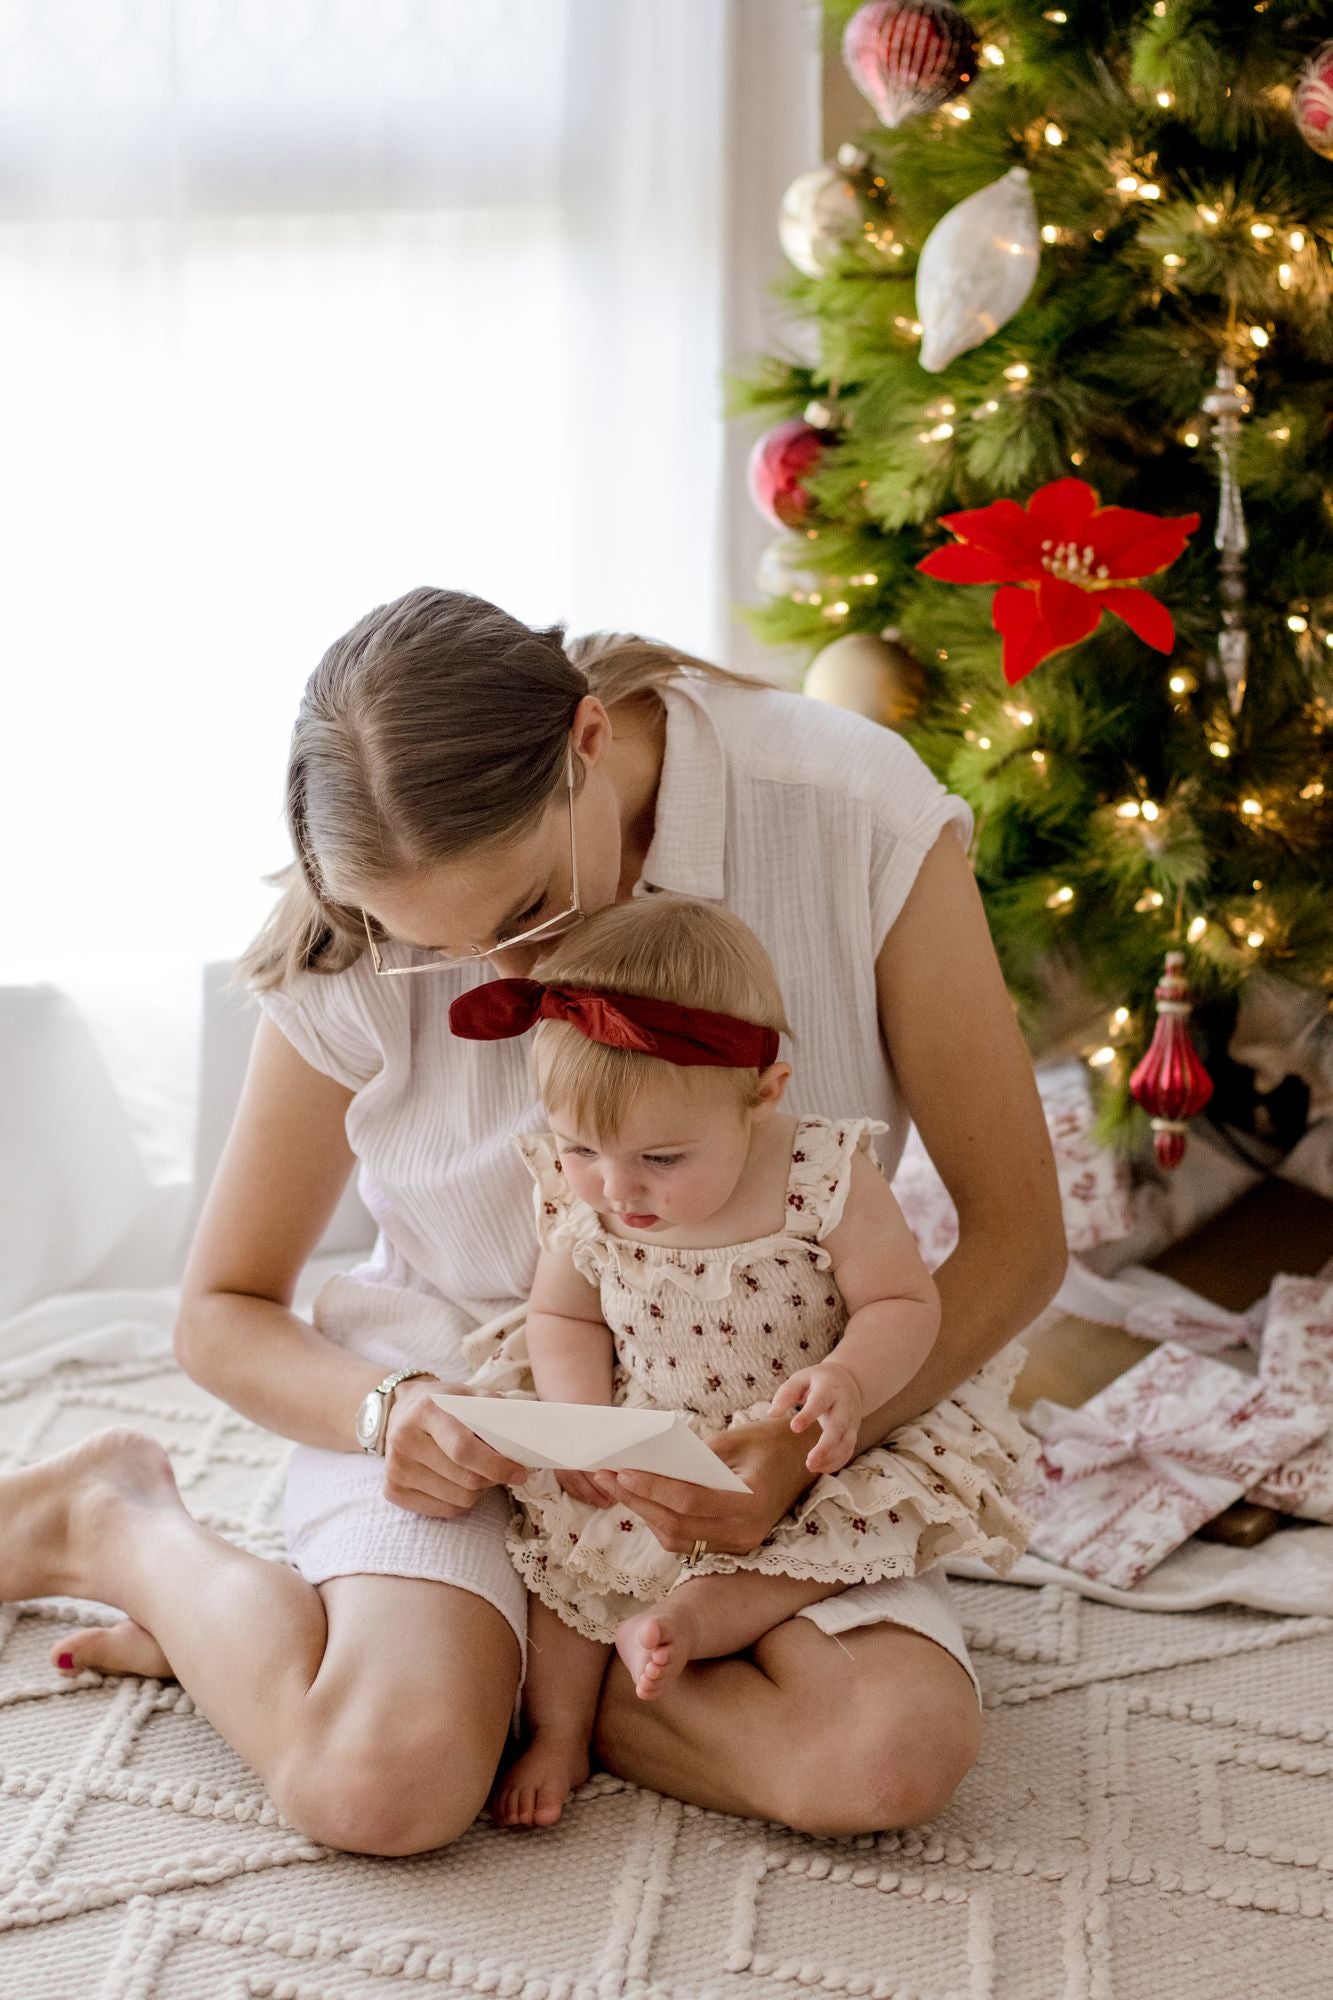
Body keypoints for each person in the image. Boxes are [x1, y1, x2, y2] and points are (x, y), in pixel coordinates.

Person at [3, 587, 1064, 1855]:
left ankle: (518, 1683)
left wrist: (804, 1444)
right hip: (464, 1398)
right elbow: (222, 1310)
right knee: (378, 1790)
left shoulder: (846, 809)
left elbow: (1016, 1238)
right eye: (436, 951)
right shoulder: (356, 930)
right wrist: (391, 1411)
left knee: (884, 1758)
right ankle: (115, 1517)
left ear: (589, 743)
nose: (508, 985)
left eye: (518, 918)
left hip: (761, 1422)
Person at [452, 896, 1035, 1829]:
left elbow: (901, 1301)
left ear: (762, 1092)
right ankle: (558, 1730)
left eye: (661, 1157)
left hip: (800, 1446)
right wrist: (584, 1424)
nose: (617, 1188)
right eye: (580, 1151)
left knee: (798, 1559)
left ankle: (684, 1627)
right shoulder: (588, 1197)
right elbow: (563, 1318)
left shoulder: (819, 1174)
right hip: (650, 1430)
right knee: (562, 1568)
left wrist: (848, 1378)